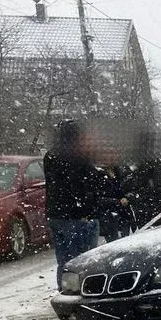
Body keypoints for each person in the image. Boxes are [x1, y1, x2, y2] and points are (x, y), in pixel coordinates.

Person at [44, 119, 103, 289]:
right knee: (83, 258)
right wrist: (86, 210)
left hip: (56, 214)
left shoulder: (51, 155)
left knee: (63, 259)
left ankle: (64, 288)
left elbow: (55, 184)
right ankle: (81, 289)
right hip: (76, 215)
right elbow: (84, 185)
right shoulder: (78, 156)